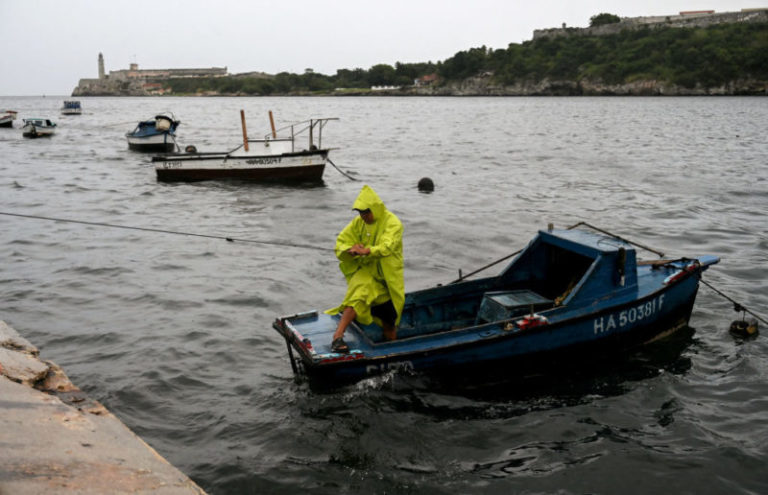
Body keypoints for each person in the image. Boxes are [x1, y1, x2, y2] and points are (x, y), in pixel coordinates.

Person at [325, 185, 404, 353]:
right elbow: (340, 243)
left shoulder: (393, 223)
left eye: (366, 213)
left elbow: (387, 246)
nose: (363, 216)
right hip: (365, 273)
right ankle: (337, 336)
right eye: (360, 213)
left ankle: (392, 352)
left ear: (374, 209)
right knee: (358, 295)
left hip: (387, 281)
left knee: (389, 322)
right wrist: (350, 249)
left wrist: (367, 250)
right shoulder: (357, 223)